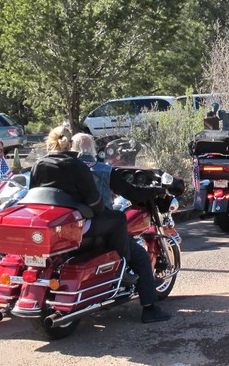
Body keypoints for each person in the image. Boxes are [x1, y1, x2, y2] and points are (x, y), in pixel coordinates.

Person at [71, 132, 172, 323]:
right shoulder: (102, 170)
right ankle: (150, 309)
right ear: (93, 149)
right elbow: (131, 192)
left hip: (73, 229)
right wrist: (155, 190)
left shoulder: (66, 170)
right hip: (100, 229)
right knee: (141, 257)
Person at [30, 126, 134, 280]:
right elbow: (93, 200)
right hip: (76, 223)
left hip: (47, 223)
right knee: (118, 218)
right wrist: (102, 210)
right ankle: (122, 270)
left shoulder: (38, 165)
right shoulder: (76, 165)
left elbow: (33, 194)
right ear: (70, 142)